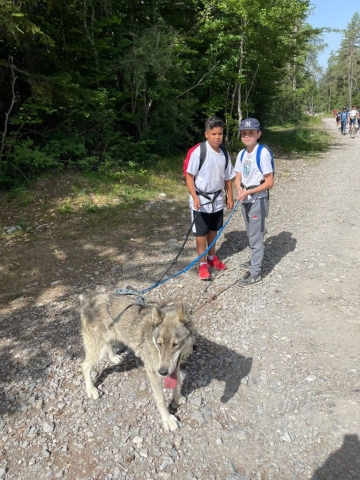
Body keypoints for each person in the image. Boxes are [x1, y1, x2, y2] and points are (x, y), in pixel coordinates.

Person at [185, 116, 235, 281]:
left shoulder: (224, 153)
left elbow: (228, 177)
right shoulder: (199, 152)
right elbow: (189, 176)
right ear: (206, 134)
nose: (217, 137)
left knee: (213, 229)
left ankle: (212, 257)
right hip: (201, 199)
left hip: (217, 199)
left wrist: (230, 196)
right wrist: (194, 197)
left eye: (220, 133)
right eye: (213, 133)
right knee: (201, 233)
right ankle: (202, 263)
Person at [234, 118, 274, 287]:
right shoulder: (242, 154)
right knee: (250, 232)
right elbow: (237, 177)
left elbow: (269, 182)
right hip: (246, 198)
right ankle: (254, 261)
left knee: (256, 235)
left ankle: (255, 273)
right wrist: (240, 189)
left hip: (258, 198)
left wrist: (249, 191)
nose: (247, 136)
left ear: (258, 134)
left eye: (251, 133)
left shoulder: (262, 153)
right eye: (244, 133)